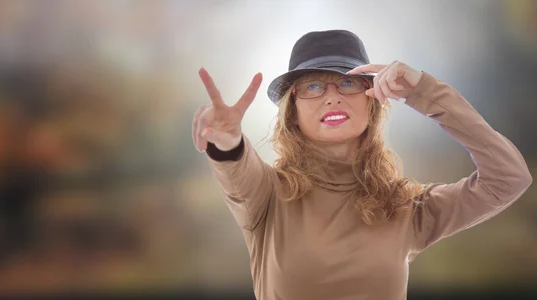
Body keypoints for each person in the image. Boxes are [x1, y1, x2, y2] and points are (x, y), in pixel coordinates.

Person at [191, 30, 532, 300]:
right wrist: (228, 141)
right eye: (313, 85)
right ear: (292, 111)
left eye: (349, 81)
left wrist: (424, 92)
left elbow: (508, 178)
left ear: (373, 101)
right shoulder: (266, 195)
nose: (333, 96)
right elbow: (236, 167)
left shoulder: (404, 206)